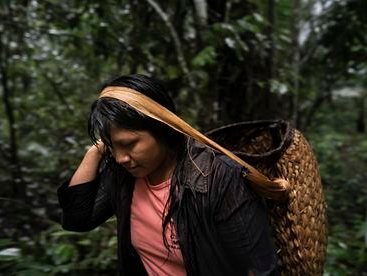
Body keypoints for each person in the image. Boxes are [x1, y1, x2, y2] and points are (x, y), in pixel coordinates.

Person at [57, 74, 278, 275]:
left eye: (129, 144)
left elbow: (259, 268)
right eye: (112, 147)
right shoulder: (124, 175)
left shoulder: (218, 179)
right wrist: (95, 151)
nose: (120, 158)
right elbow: (77, 219)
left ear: (161, 127)